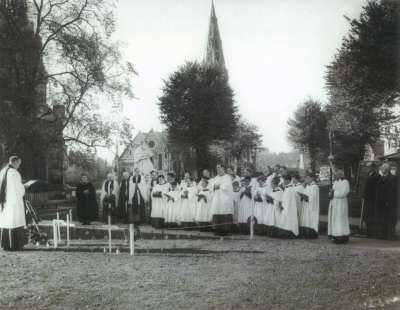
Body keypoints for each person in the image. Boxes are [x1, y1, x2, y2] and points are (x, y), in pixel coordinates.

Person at [0, 156, 26, 251]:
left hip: (4, 203)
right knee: (15, 222)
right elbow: (18, 189)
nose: (19, 166)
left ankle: (6, 245)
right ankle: (15, 245)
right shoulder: (14, 173)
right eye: (19, 163)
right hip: (14, 203)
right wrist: (24, 187)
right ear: (14, 162)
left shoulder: (2, 172)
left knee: (6, 223)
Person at [327, 169, 350, 244]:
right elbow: (332, 192)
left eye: (336, 175)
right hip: (334, 203)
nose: (335, 176)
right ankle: (335, 236)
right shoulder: (335, 182)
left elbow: (343, 193)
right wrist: (330, 193)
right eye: (335, 175)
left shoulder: (345, 182)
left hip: (341, 204)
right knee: (335, 219)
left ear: (340, 175)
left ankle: (342, 236)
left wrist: (334, 192)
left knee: (340, 219)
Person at [211, 164, 234, 236]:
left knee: (224, 211)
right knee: (216, 211)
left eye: (219, 168)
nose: (218, 169)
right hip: (217, 198)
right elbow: (212, 186)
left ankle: (225, 230)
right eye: (217, 168)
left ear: (223, 168)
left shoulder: (227, 177)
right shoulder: (215, 177)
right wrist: (215, 186)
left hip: (224, 198)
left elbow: (227, 187)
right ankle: (216, 229)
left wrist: (219, 186)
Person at [376, 163, 397, 240]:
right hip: (382, 202)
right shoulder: (382, 177)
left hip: (389, 203)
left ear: (386, 169)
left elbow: (392, 191)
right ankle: (383, 234)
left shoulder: (393, 178)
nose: (381, 170)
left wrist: (388, 201)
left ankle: (390, 235)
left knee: (389, 219)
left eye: (382, 169)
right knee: (383, 218)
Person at [298, 173, 320, 239]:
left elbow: (313, 198)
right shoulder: (308, 186)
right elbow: (304, 193)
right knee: (305, 219)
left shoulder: (315, 187)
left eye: (307, 178)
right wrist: (301, 196)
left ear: (312, 178)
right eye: (306, 178)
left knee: (310, 219)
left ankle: (311, 234)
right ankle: (305, 234)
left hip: (311, 207)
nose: (306, 180)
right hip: (305, 205)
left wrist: (306, 198)